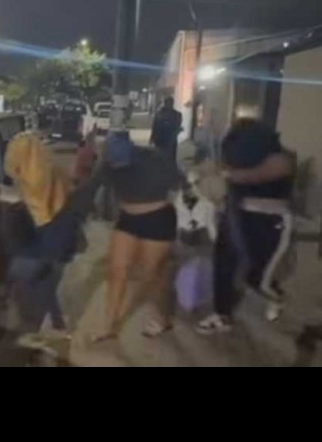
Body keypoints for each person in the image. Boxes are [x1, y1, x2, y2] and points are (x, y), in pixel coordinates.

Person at [77, 131, 185, 341]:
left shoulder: (154, 157)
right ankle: (109, 325)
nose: (119, 167)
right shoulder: (108, 163)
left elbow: (179, 182)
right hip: (128, 218)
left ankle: (162, 317)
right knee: (116, 271)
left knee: (151, 275)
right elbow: (90, 188)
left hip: (158, 219)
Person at [196, 119, 295, 334]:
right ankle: (222, 314)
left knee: (257, 276)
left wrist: (228, 176)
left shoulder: (281, 158)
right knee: (223, 265)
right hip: (236, 216)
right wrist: (207, 173)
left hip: (268, 222)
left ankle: (275, 297)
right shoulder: (236, 157)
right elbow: (221, 173)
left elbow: (259, 174)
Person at [3, 132, 82, 358]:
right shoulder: (47, 166)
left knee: (22, 275)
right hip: (62, 228)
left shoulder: (34, 178)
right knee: (45, 279)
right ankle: (58, 327)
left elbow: (31, 197)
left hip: (51, 232)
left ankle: (36, 330)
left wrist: (9, 197)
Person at [150, 97, 182, 164]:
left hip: (168, 140)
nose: (170, 105)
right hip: (162, 140)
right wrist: (152, 137)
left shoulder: (176, 114)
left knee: (167, 158)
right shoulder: (160, 114)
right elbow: (155, 126)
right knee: (162, 158)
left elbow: (177, 126)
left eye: (171, 103)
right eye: (169, 103)